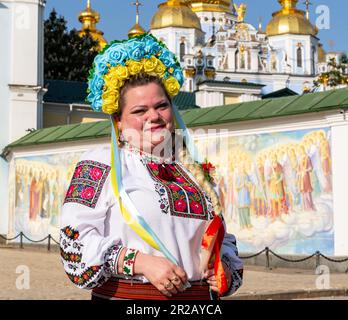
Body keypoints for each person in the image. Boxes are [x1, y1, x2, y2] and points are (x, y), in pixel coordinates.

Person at [60, 33, 243, 300]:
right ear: (118, 121)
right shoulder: (100, 164)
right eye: (139, 111)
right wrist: (139, 262)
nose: (154, 116)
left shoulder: (193, 172)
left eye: (161, 106)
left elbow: (223, 239)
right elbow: (74, 244)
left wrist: (224, 265)